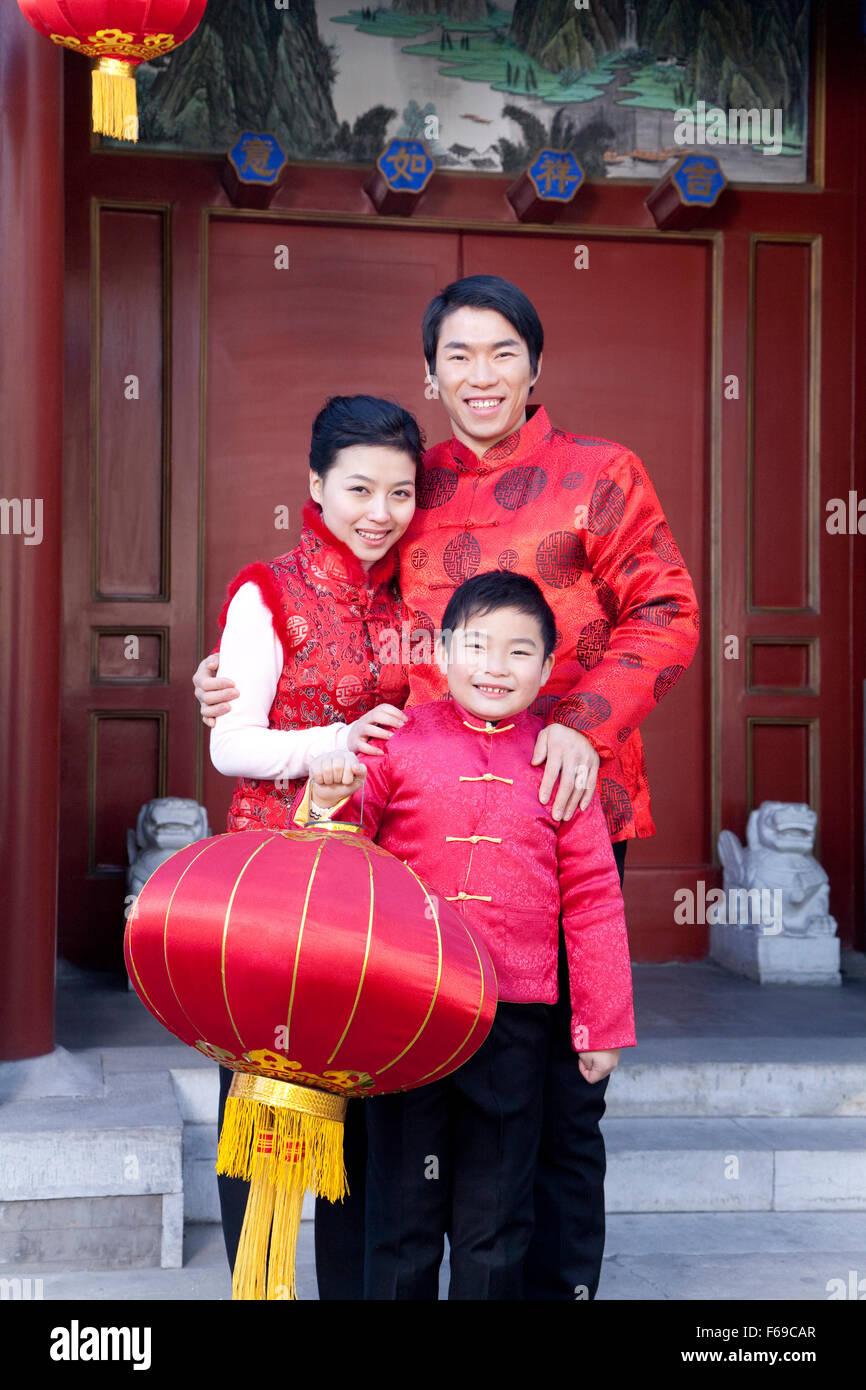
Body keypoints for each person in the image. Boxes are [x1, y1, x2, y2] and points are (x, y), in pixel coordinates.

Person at [195, 274, 700, 1299]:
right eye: (457, 356)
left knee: (549, 1096)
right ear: (427, 372)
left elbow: (668, 612)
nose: (479, 375)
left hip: (560, 812)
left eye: (501, 352)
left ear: (534, 366)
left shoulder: (600, 472)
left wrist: (581, 725)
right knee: (391, 1087)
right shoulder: (406, 484)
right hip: (410, 828)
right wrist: (236, 681)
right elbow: (340, 602)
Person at [290, 571, 635, 1300]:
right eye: (476, 646)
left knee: (496, 1215)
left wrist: (599, 1025)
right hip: (408, 1018)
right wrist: (324, 800)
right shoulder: (398, 741)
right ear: (441, 653)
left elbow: (595, 901)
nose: (495, 667)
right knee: (402, 1214)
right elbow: (342, 857)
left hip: (515, 1022)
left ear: (546, 670)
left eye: (519, 653)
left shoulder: (559, 761)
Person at [209, 393, 421, 1296]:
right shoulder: (269, 589)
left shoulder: (421, 596)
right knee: (269, 1099)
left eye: (402, 493)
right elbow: (231, 742)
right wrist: (335, 744)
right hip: (279, 883)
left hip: (386, 881)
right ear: (315, 485)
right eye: (360, 488)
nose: (380, 512)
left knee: (367, 1109)